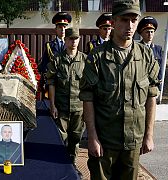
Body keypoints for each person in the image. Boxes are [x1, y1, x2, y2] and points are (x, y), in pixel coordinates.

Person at [79, 0, 159, 179]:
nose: (130, 25)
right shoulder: (97, 57)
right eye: (124, 19)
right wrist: (92, 137)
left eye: (134, 19)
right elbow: (87, 97)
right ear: (114, 22)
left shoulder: (145, 55)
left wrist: (149, 135)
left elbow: (151, 96)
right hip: (104, 141)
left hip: (133, 141)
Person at [46, 28, 86, 178]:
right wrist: (52, 105)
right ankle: (58, 167)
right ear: (65, 40)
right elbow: (51, 83)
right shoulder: (57, 60)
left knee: (75, 139)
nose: (73, 41)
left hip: (79, 108)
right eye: (70, 39)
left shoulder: (85, 60)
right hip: (61, 108)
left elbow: (89, 87)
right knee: (60, 139)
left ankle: (72, 165)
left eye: (76, 38)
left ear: (79, 40)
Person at [137, 16, 163, 93]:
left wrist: (159, 85)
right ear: (141, 33)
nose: (150, 34)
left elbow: (160, 68)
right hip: (141, 86)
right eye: (147, 32)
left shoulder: (158, 49)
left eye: (152, 32)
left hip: (154, 86)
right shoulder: (137, 48)